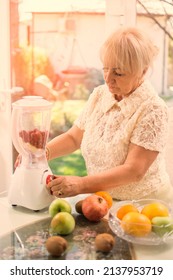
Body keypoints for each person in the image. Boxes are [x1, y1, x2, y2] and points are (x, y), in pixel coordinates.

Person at [46, 26, 173, 202]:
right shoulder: (100, 94)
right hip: (103, 200)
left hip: (146, 206)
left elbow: (134, 171)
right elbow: (74, 138)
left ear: (142, 71)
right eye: (106, 68)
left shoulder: (153, 110)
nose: (107, 78)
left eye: (118, 73)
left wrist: (80, 184)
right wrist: (41, 153)